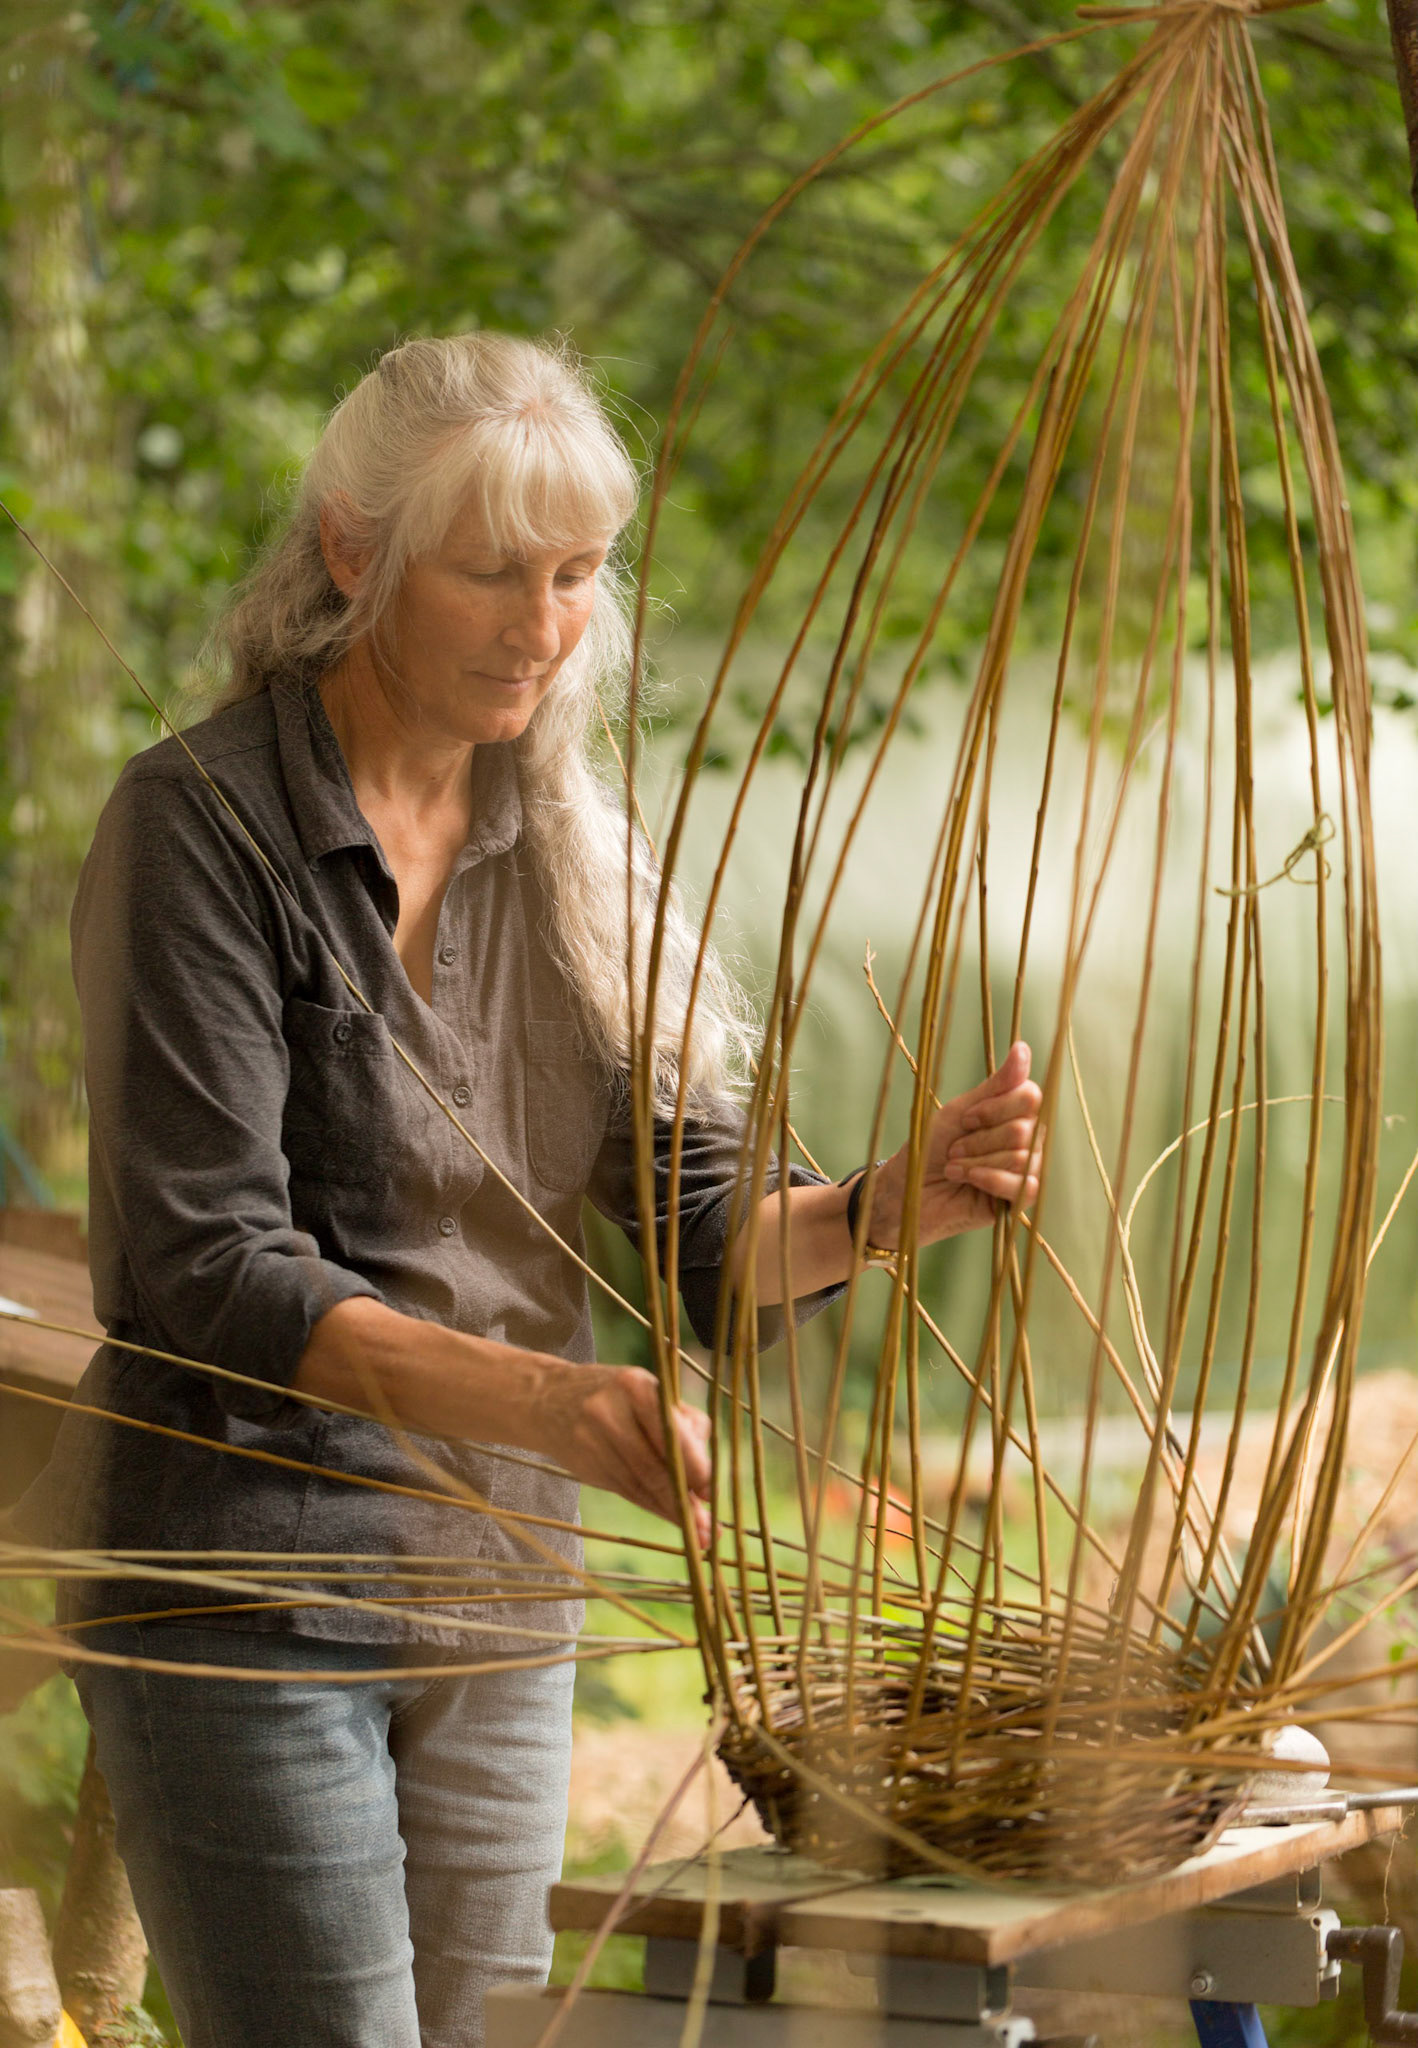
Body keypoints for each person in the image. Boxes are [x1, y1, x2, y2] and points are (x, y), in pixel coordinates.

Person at [22, 333, 1043, 2048]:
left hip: (496, 1591)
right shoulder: (198, 826)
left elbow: (707, 1242)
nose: (545, 623)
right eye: (494, 570)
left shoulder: (571, 844)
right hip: (248, 1583)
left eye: (576, 575)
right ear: (355, 554)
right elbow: (212, 1266)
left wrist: (889, 1204)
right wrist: (552, 1397)